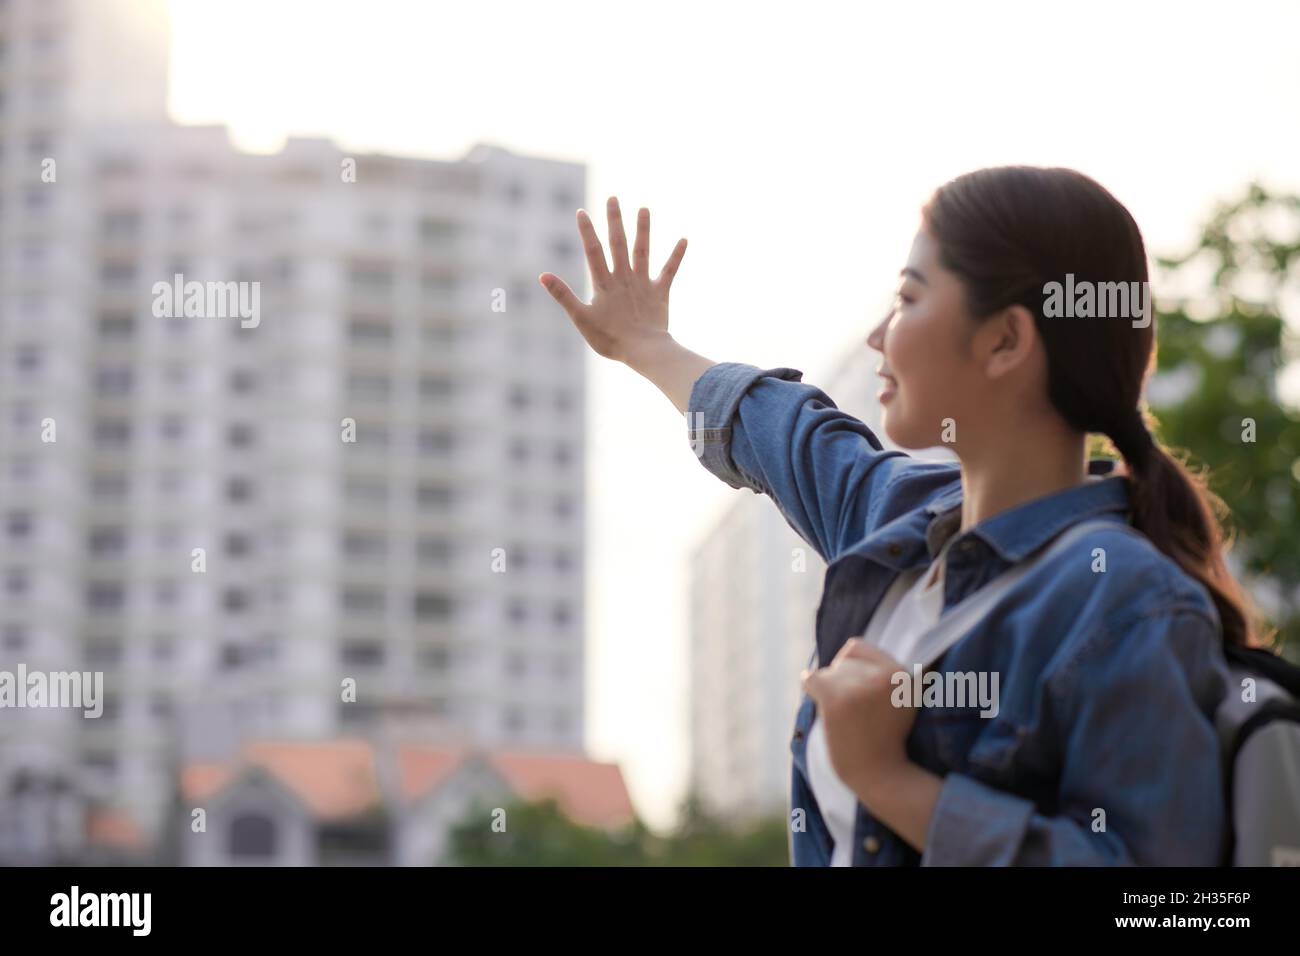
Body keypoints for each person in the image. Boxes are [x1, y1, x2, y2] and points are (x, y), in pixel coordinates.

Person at [539, 167, 1262, 865]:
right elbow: (781, 433)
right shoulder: (901, 525)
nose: (878, 335)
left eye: (910, 299)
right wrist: (646, 346)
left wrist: (892, 782)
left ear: (1005, 340)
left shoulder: (1127, 598)